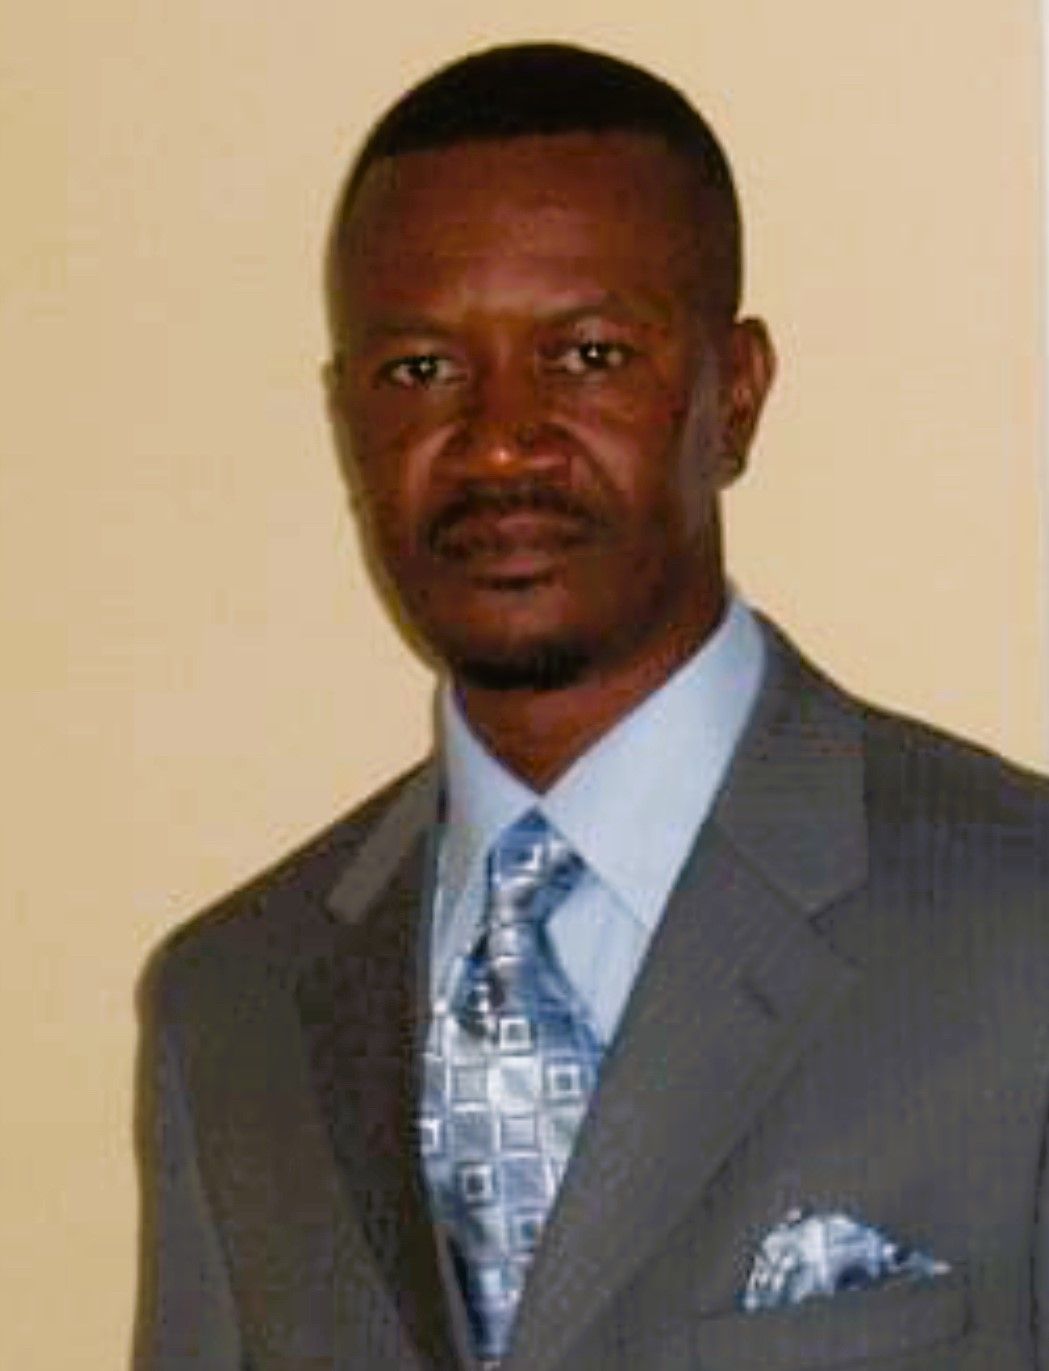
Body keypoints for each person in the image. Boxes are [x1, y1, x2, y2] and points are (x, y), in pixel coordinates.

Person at [133, 43, 1049, 1371]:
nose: (500, 438)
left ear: (732, 396)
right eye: (419, 372)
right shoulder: (231, 1008)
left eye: (587, 354)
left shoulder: (1015, 930)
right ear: (347, 426)